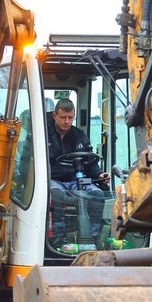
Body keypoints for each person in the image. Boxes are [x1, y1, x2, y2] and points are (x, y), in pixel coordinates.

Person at [46, 98, 108, 245]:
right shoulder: (43, 134)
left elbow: (90, 162)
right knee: (56, 194)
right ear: (54, 116)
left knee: (97, 194)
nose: (67, 121)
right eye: (63, 117)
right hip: (53, 179)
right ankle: (58, 239)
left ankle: (92, 238)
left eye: (70, 117)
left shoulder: (80, 136)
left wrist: (99, 174)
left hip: (77, 179)